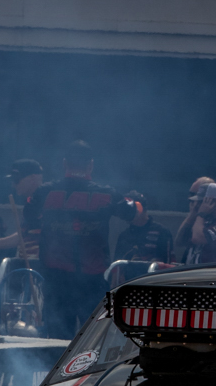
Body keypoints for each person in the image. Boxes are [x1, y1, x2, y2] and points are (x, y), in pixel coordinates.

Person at [28, 141, 141, 337]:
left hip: (56, 280)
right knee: (94, 341)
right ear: (90, 165)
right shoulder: (106, 193)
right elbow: (135, 212)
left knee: (57, 342)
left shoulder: (44, 191)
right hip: (92, 280)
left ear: (64, 164)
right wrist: (133, 200)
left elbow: (29, 219)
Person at [0, 158, 44, 259]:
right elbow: (22, 236)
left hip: (41, 268)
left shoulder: (47, 202)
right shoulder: (30, 203)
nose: (13, 185)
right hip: (28, 267)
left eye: (16, 180)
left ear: (32, 178)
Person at [112, 191, 174, 264]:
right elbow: (116, 267)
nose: (126, 212)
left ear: (140, 207)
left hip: (153, 274)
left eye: (129, 209)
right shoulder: (124, 236)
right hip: (131, 275)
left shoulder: (162, 232)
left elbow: (169, 264)